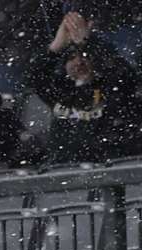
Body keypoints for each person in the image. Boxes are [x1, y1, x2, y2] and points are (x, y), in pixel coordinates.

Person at [28, 13, 142, 166]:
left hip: (110, 169)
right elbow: (34, 77)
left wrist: (89, 42)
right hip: (64, 172)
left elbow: (123, 74)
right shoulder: (61, 92)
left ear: (95, 60)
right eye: (71, 58)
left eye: (84, 56)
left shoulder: (113, 86)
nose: (79, 62)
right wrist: (55, 47)